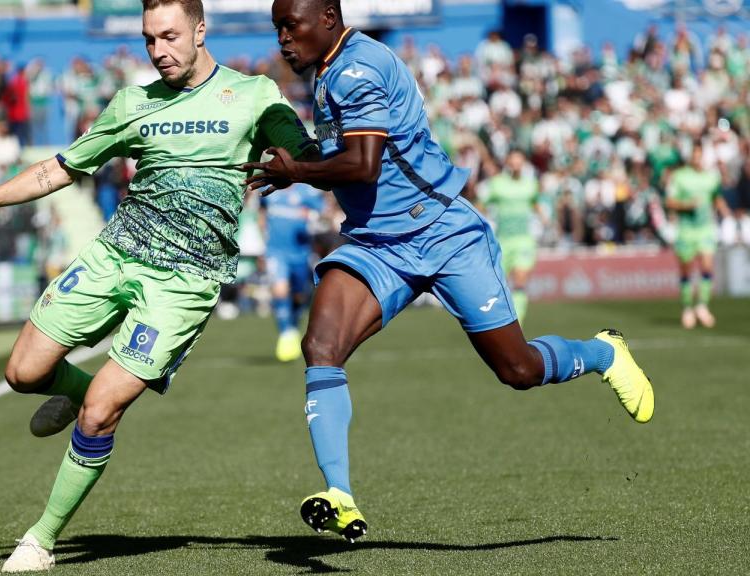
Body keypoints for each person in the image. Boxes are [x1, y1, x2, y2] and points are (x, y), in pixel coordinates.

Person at [0, 0, 316, 571]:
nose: (159, 50)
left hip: (185, 281)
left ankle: (41, 539)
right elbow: (58, 168)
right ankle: (78, 389)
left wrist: (298, 162)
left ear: (200, 30)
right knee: (21, 373)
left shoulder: (253, 95)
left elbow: (299, 147)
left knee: (102, 413)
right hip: (115, 254)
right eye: (149, 39)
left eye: (170, 36)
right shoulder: (132, 104)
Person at [245, 0, 655, 543]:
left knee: (519, 370)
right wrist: (298, 160)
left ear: (326, 18)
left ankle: (604, 352)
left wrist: (297, 168)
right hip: (378, 242)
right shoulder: (329, 71)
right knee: (321, 346)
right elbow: (352, 161)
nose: (282, 39)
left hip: (440, 232)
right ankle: (338, 493)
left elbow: (363, 165)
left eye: (289, 25)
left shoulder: (358, 69)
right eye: (276, 28)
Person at [665, 143, 731, 329]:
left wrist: (727, 214)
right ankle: (687, 308)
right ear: (690, 157)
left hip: (705, 228)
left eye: (699, 155)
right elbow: (669, 201)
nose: (697, 158)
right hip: (686, 230)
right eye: (694, 155)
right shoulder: (679, 177)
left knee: (707, 265)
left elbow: (716, 198)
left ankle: (702, 305)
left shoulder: (711, 178)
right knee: (686, 270)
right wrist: (687, 205)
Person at [260, 183, 323, 361]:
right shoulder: (268, 189)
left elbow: (324, 212)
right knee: (279, 289)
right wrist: (262, 240)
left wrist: (311, 215)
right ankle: (286, 333)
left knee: (300, 296)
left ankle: (293, 326)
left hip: (301, 254)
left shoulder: (307, 191)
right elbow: (261, 214)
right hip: (275, 251)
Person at [480, 150, 543, 324]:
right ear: (508, 162)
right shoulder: (497, 184)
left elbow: (534, 202)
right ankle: (499, 322)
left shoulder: (531, 184)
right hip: (502, 241)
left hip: (523, 240)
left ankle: (518, 323)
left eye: (519, 160)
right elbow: (482, 205)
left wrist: (545, 218)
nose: (516, 163)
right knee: (499, 285)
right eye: (513, 160)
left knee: (520, 282)